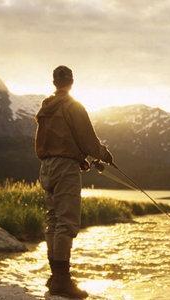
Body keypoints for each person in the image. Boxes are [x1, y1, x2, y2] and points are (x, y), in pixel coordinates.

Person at [35, 66, 113, 299]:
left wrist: (79, 159)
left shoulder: (45, 108)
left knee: (53, 219)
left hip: (46, 167)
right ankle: (62, 280)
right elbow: (89, 142)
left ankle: (55, 275)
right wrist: (104, 155)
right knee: (67, 222)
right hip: (64, 168)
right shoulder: (73, 106)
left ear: (54, 82)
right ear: (71, 82)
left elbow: (50, 141)